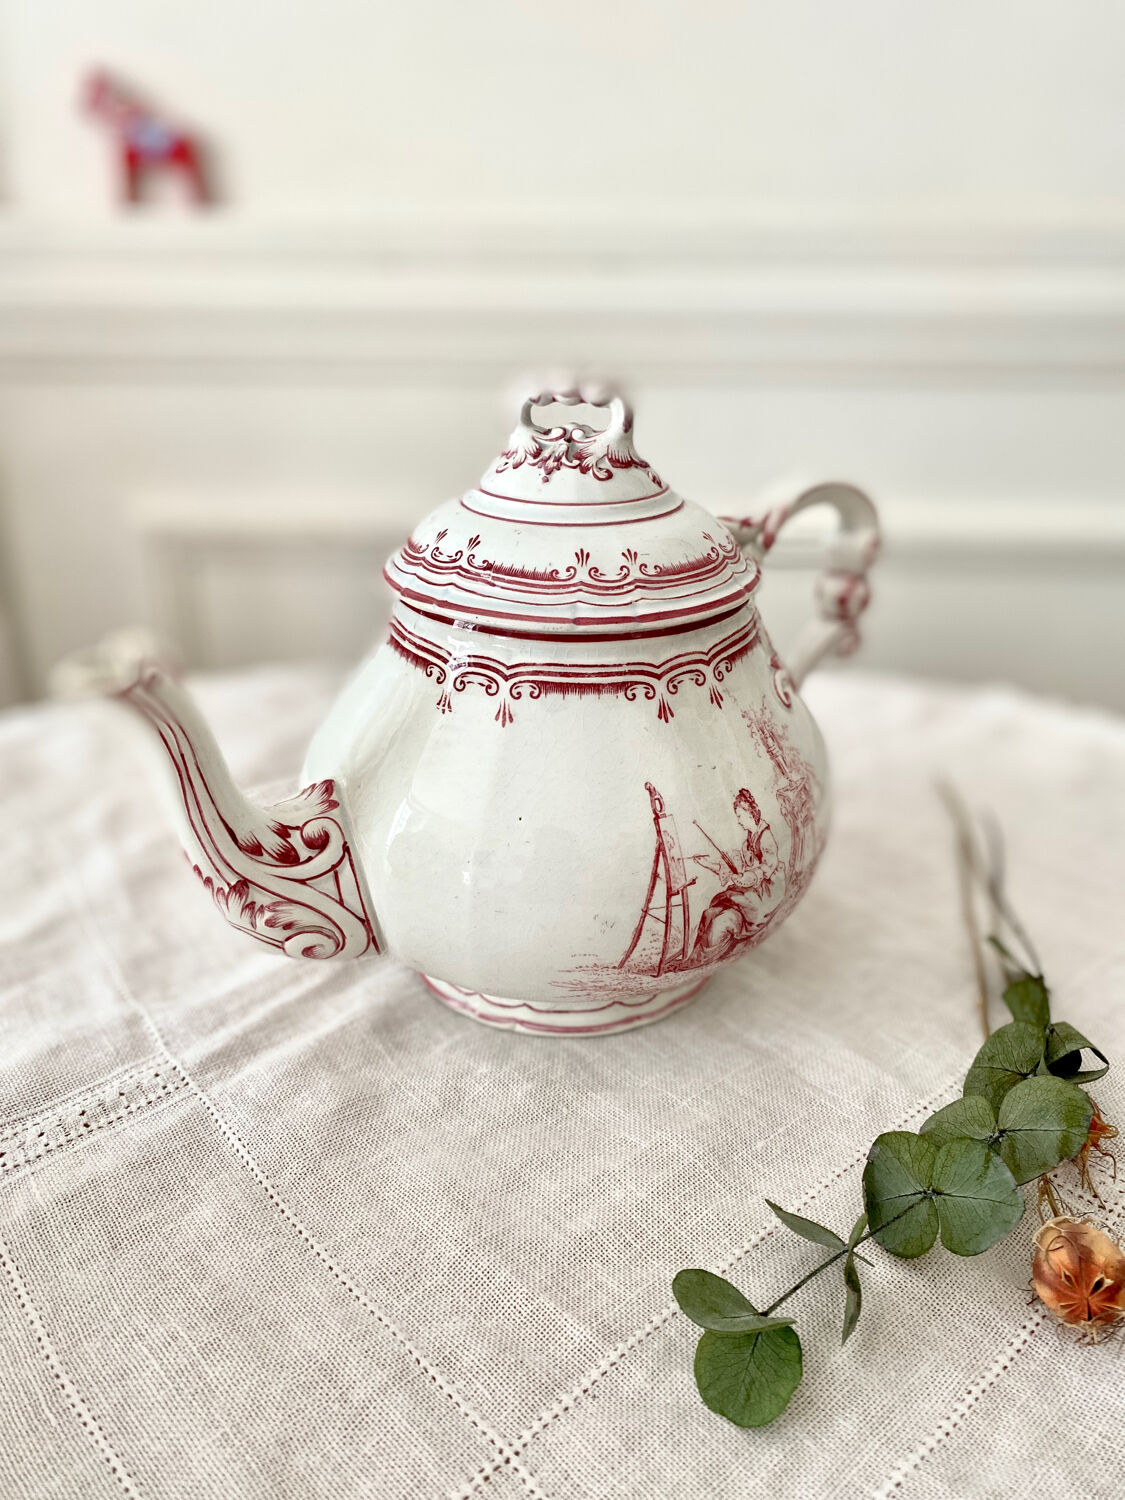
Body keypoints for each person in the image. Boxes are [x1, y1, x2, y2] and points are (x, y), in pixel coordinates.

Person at [684, 789, 782, 967]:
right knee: (709, 914)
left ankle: (699, 962)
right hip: (749, 892)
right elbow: (736, 865)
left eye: (739, 815)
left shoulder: (765, 836)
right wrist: (709, 864)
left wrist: (747, 877)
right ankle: (693, 959)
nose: (738, 820)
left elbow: (767, 866)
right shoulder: (748, 841)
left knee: (720, 923)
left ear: (749, 812)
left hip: (763, 895)